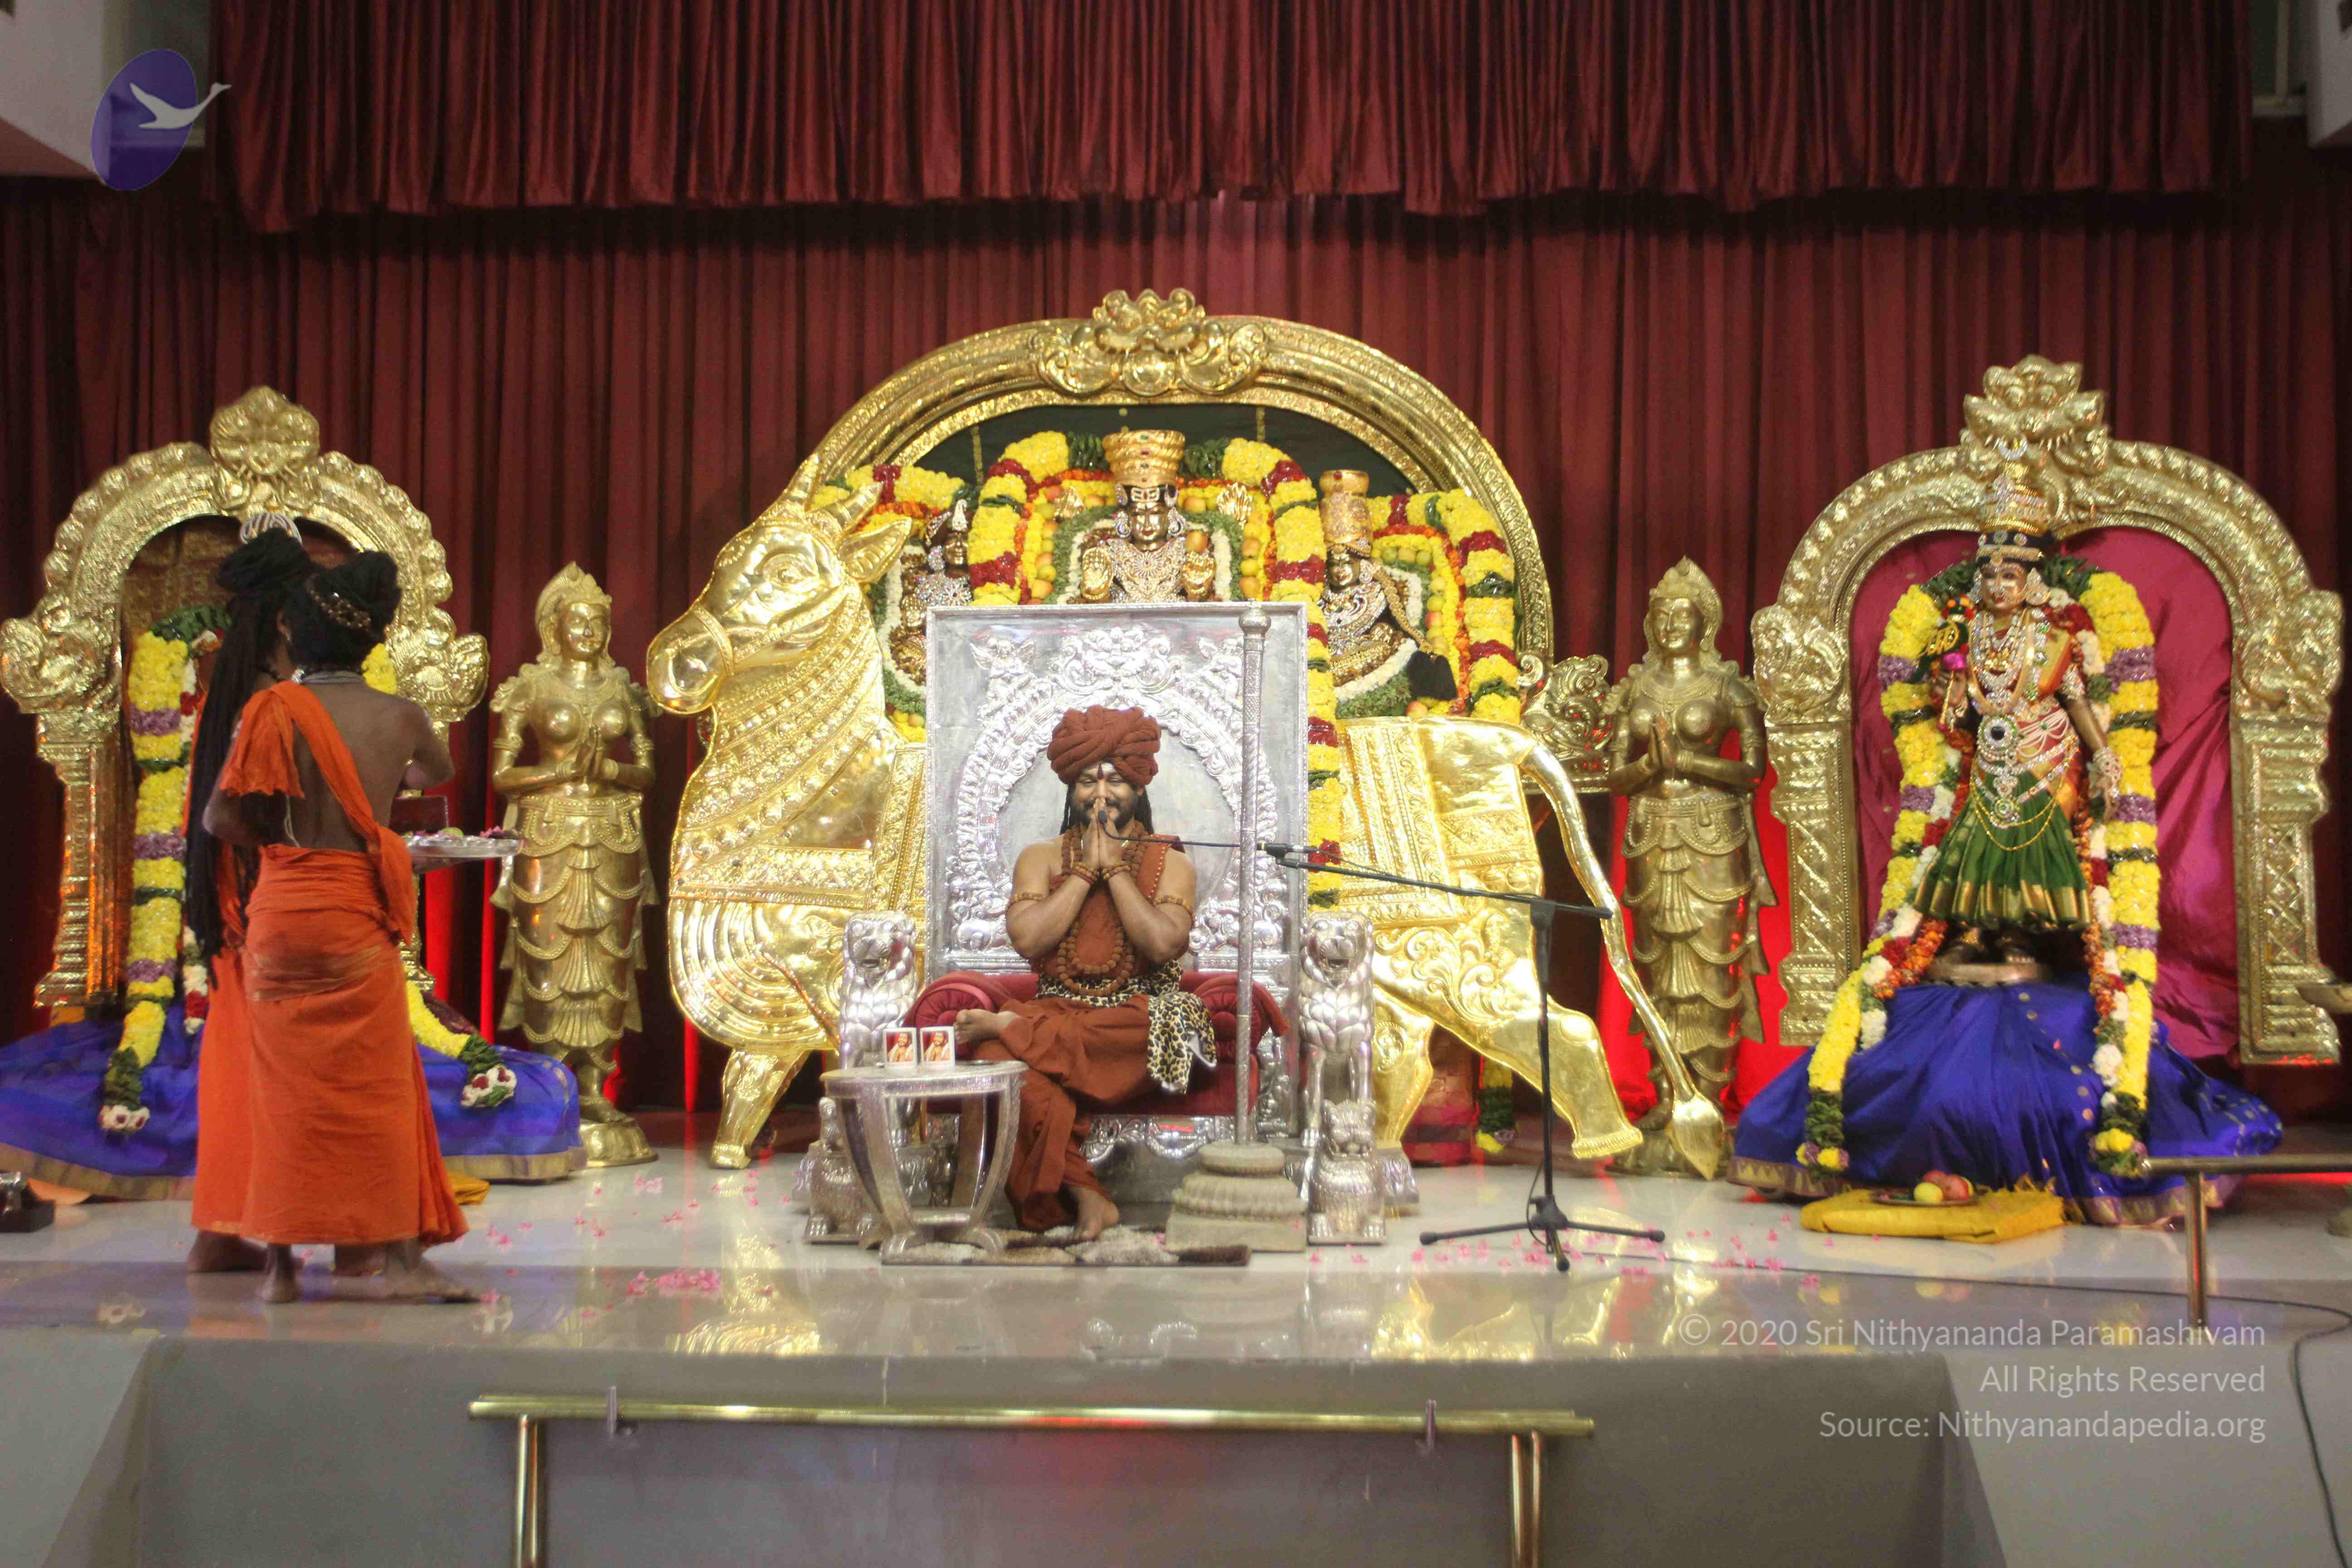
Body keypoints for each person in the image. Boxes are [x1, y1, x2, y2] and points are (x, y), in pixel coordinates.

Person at [202, 553, 474, 1302]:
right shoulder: (401, 716)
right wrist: (376, 803)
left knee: (282, 1095)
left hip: (282, 914)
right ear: (372, 640)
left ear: (299, 634)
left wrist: (282, 840)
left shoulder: (269, 710)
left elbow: (220, 817)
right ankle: (401, 1264)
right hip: (355, 911)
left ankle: (281, 1271)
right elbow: (434, 774)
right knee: (381, 1094)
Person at [953, 706, 1213, 1238]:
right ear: (1071, 790)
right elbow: (1028, 939)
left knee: (1160, 1023)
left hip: (1132, 1023)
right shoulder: (1042, 857)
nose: (1102, 793)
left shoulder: (1171, 863)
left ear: (1138, 787)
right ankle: (1087, 1195)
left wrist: (1115, 869)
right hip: (1059, 1010)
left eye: (1115, 780)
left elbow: (1164, 944)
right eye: (1088, 781)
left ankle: (1017, 1029)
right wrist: (1082, 873)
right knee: (997, 1060)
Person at [183, 522, 314, 1274]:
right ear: (286, 621)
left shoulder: (236, 691)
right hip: (266, 897)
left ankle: (221, 1230)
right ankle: (272, 1230)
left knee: (235, 1056)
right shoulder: (269, 700)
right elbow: (243, 814)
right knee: (272, 1068)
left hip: (238, 898)